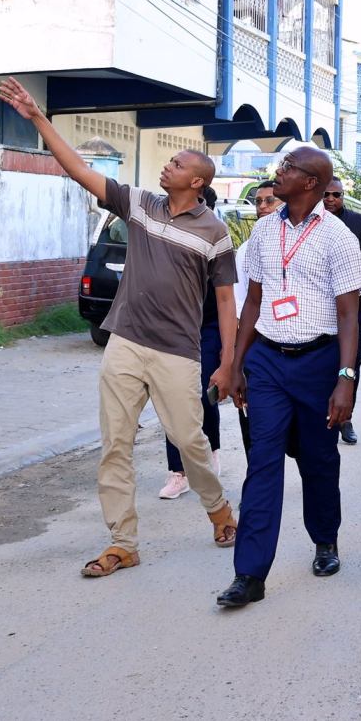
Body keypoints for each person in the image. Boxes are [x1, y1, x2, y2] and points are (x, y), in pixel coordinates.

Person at [0, 77, 239, 578]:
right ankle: (122, 542)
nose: (167, 165)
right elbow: (81, 169)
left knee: (190, 441)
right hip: (125, 342)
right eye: (169, 162)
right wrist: (38, 119)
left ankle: (217, 508)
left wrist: (228, 362)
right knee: (115, 445)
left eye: (178, 164)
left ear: (197, 182)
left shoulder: (214, 232)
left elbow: (223, 300)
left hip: (177, 351)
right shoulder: (139, 204)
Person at [216, 148, 361, 609]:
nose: (277, 173)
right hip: (267, 360)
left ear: (310, 182)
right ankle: (250, 574)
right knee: (262, 462)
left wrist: (347, 379)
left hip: (318, 362)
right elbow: (254, 301)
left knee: (317, 458)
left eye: (287, 168)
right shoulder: (264, 229)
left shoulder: (339, 237)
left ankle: (325, 539)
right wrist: (236, 363)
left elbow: (349, 315)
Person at [158, 187, 224, 500]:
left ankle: (211, 451)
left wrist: (229, 350)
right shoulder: (168, 240)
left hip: (209, 328)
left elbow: (228, 302)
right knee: (173, 398)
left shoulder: (217, 240)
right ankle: (178, 472)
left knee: (202, 393)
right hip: (174, 331)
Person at [324, 177, 361, 447]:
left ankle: (345, 418)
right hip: (319, 310)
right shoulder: (310, 225)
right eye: (325, 194)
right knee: (322, 361)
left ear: (343, 196)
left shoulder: (359, 224)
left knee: (350, 364)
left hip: (353, 311)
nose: (330, 199)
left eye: (336, 194)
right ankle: (322, 415)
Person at [234, 180, 280, 454]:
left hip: (294, 347)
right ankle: (257, 485)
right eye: (258, 201)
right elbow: (240, 304)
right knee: (253, 422)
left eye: (270, 200)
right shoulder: (245, 251)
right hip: (256, 346)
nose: (262, 207)